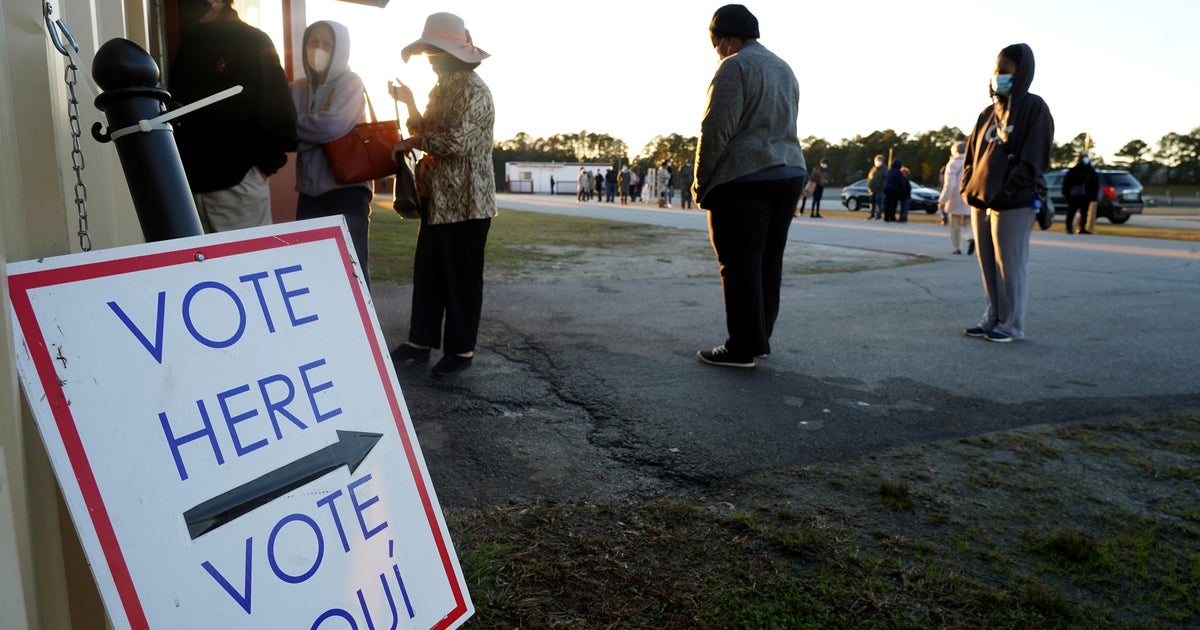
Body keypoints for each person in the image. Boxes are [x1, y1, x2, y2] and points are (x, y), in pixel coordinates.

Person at [693, 5, 806, 368]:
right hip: (788, 171)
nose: (717, 51)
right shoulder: (783, 67)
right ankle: (758, 340)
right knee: (768, 261)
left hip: (746, 177)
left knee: (738, 262)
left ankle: (741, 347)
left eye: (715, 43)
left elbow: (716, 130)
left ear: (726, 39)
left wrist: (701, 182)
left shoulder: (734, 65)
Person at [388, 12, 496, 375]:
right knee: (430, 271)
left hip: (468, 201)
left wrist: (415, 140)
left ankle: (460, 350)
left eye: (436, 52)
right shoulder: (443, 87)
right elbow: (427, 128)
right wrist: (409, 102)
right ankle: (420, 341)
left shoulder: (474, 90)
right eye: (429, 52)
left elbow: (458, 141)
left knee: (462, 277)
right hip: (438, 199)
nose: (432, 59)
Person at [169, 0, 297, 233]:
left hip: (239, 189)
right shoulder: (188, 44)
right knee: (199, 268)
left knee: (251, 263)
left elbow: (279, 113)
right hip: (190, 189)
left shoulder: (252, 41)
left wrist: (262, 167)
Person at [960, 43, 1054, 343]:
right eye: (996, 71)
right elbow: (971, 155)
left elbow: (1034, 158)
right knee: (987, 264)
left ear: (1021, 73)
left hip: (1014, 202)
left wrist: (1008, 189)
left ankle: (1012, 324)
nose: (999, 76)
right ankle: (992, 318)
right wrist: (967, 188)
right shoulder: (987, 113)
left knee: (1009, 265)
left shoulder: (1033, 108)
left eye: (1006, 71)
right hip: (981, 200)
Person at [290, 21, 373, 284]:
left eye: (327, 43)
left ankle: (360, 325)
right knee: (310, 269)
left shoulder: (350, 82)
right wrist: (315, 134)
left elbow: (332, 124)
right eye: (313, 42)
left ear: (340, 48)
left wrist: (301, 134)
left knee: (351, 267)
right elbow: (286, 132)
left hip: (347, 190)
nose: (318, 48)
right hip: (309, 193)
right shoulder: (296, 87)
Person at [938, 141, 973, 255]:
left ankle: (957, 247)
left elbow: (950, 185)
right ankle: (970, 237)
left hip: (956, 196)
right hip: (970, 194)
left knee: (955, 223)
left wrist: (942, 200)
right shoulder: (973, 162)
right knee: (968, 221)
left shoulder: (953, 164)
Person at [1062, 151, 1099, 234]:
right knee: (1072, 211)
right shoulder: (1075, 170)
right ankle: (1069, 228)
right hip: (1075, 195)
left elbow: (1094, 182)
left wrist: (1093, 196)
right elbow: (1067, 183)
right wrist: (1066, 193)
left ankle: (1082, 228)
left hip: (1086, 195)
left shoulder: (1090, 171)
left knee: (1084, 212)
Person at [867, 154, 886, 220]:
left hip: (879, 190)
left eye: (880, 160)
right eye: (877, 160)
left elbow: (886, 179)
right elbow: (869, 178)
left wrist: (882, 187)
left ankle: (879, 215)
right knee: (872, 203)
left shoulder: (884, 169)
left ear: (882, 161)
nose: (878, 161)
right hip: (872, 190)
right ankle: (871, 214)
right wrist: (869, 184)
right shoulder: (873, 169)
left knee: (879, 203)